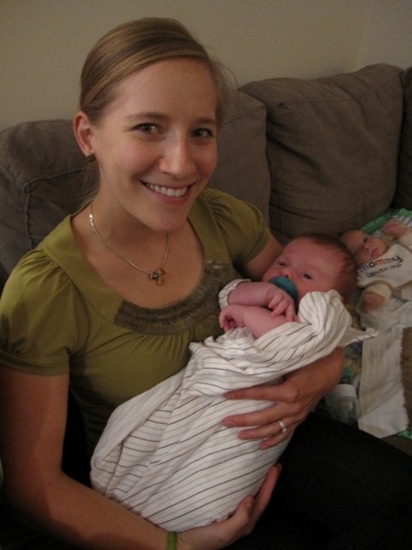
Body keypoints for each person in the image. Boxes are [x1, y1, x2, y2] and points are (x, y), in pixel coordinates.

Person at [0, 17, 412, 550]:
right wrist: (178, 546)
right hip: (165, 487)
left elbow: (318, 304)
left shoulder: (221, 216)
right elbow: (33, 486)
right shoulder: (46, 292)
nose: (181, 165)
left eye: (201, 132)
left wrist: (320, 373)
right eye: (148, 127)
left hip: (269, 440)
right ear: (88, 136)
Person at [91, 233, 370, 532]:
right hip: (207, 382)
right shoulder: (267, 295)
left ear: (333, 300)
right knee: (150, 434)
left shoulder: (318, 317)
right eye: (282, 263)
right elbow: (231, 294)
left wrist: (247, 315)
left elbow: (288, 342)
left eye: (306, 276)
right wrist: (260, 294)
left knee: (213, 473)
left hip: (249, 402)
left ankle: (180, 510)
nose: (287, 273)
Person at [341, 219, 412, 313]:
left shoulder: (397, 247)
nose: (366, 247)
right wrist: (374, 297)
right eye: (357, 252)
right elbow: (382, 287)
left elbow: (409, 243)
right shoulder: (373, 272)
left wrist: (401, 233)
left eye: (365, 239)